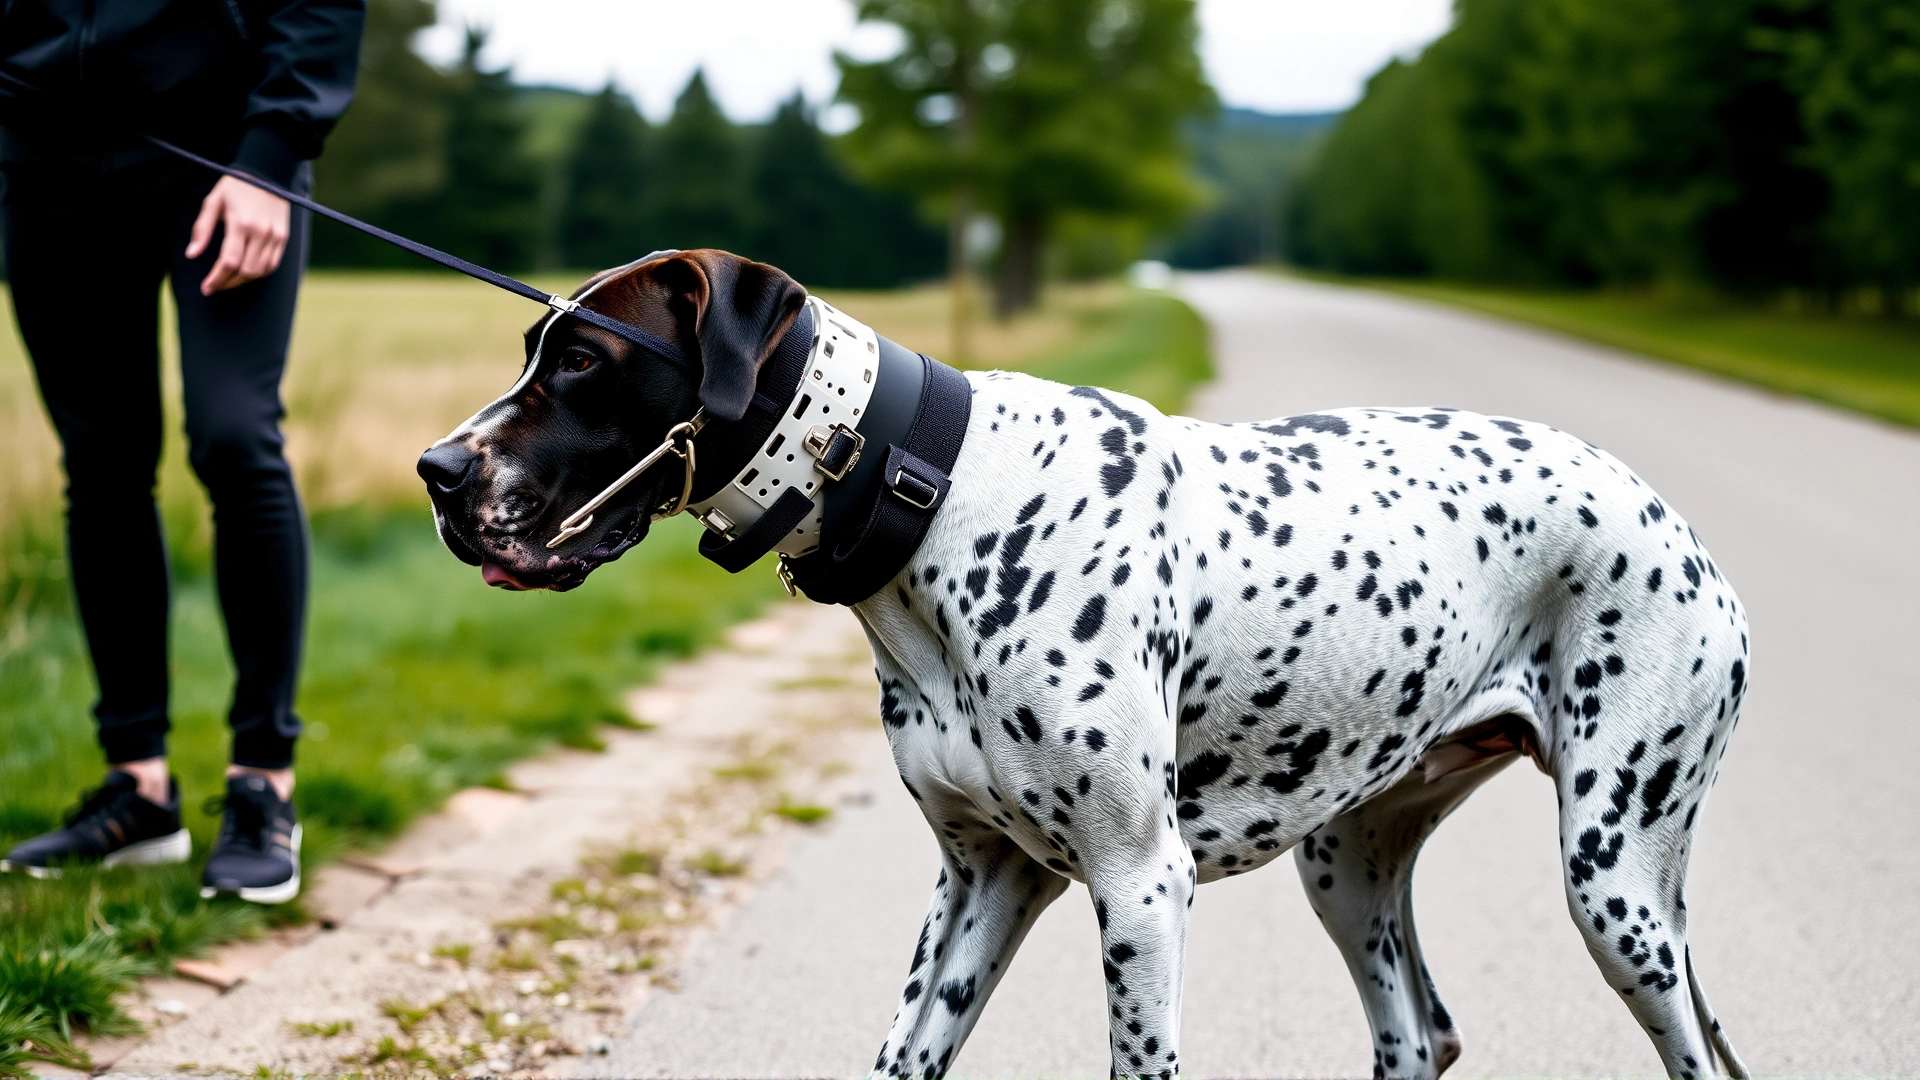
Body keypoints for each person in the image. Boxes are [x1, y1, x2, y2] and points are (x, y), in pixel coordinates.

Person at [0, 0, 364, 902]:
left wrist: (274, 155)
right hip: (43, 160)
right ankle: (139, 791)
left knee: (236, 440)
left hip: (223, 156)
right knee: (102, 463)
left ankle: (262, 785)